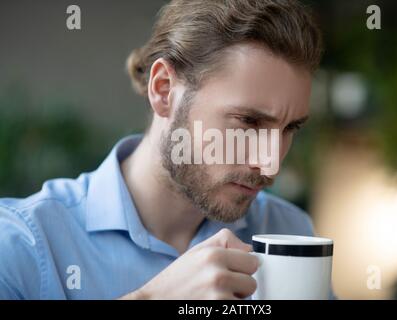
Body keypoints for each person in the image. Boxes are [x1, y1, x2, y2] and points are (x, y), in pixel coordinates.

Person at [0, 0, 325, 299]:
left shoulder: (288, 231)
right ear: (164, 90)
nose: (270, 165)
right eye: (249, 121)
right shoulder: (21, 247)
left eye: (290, 128)